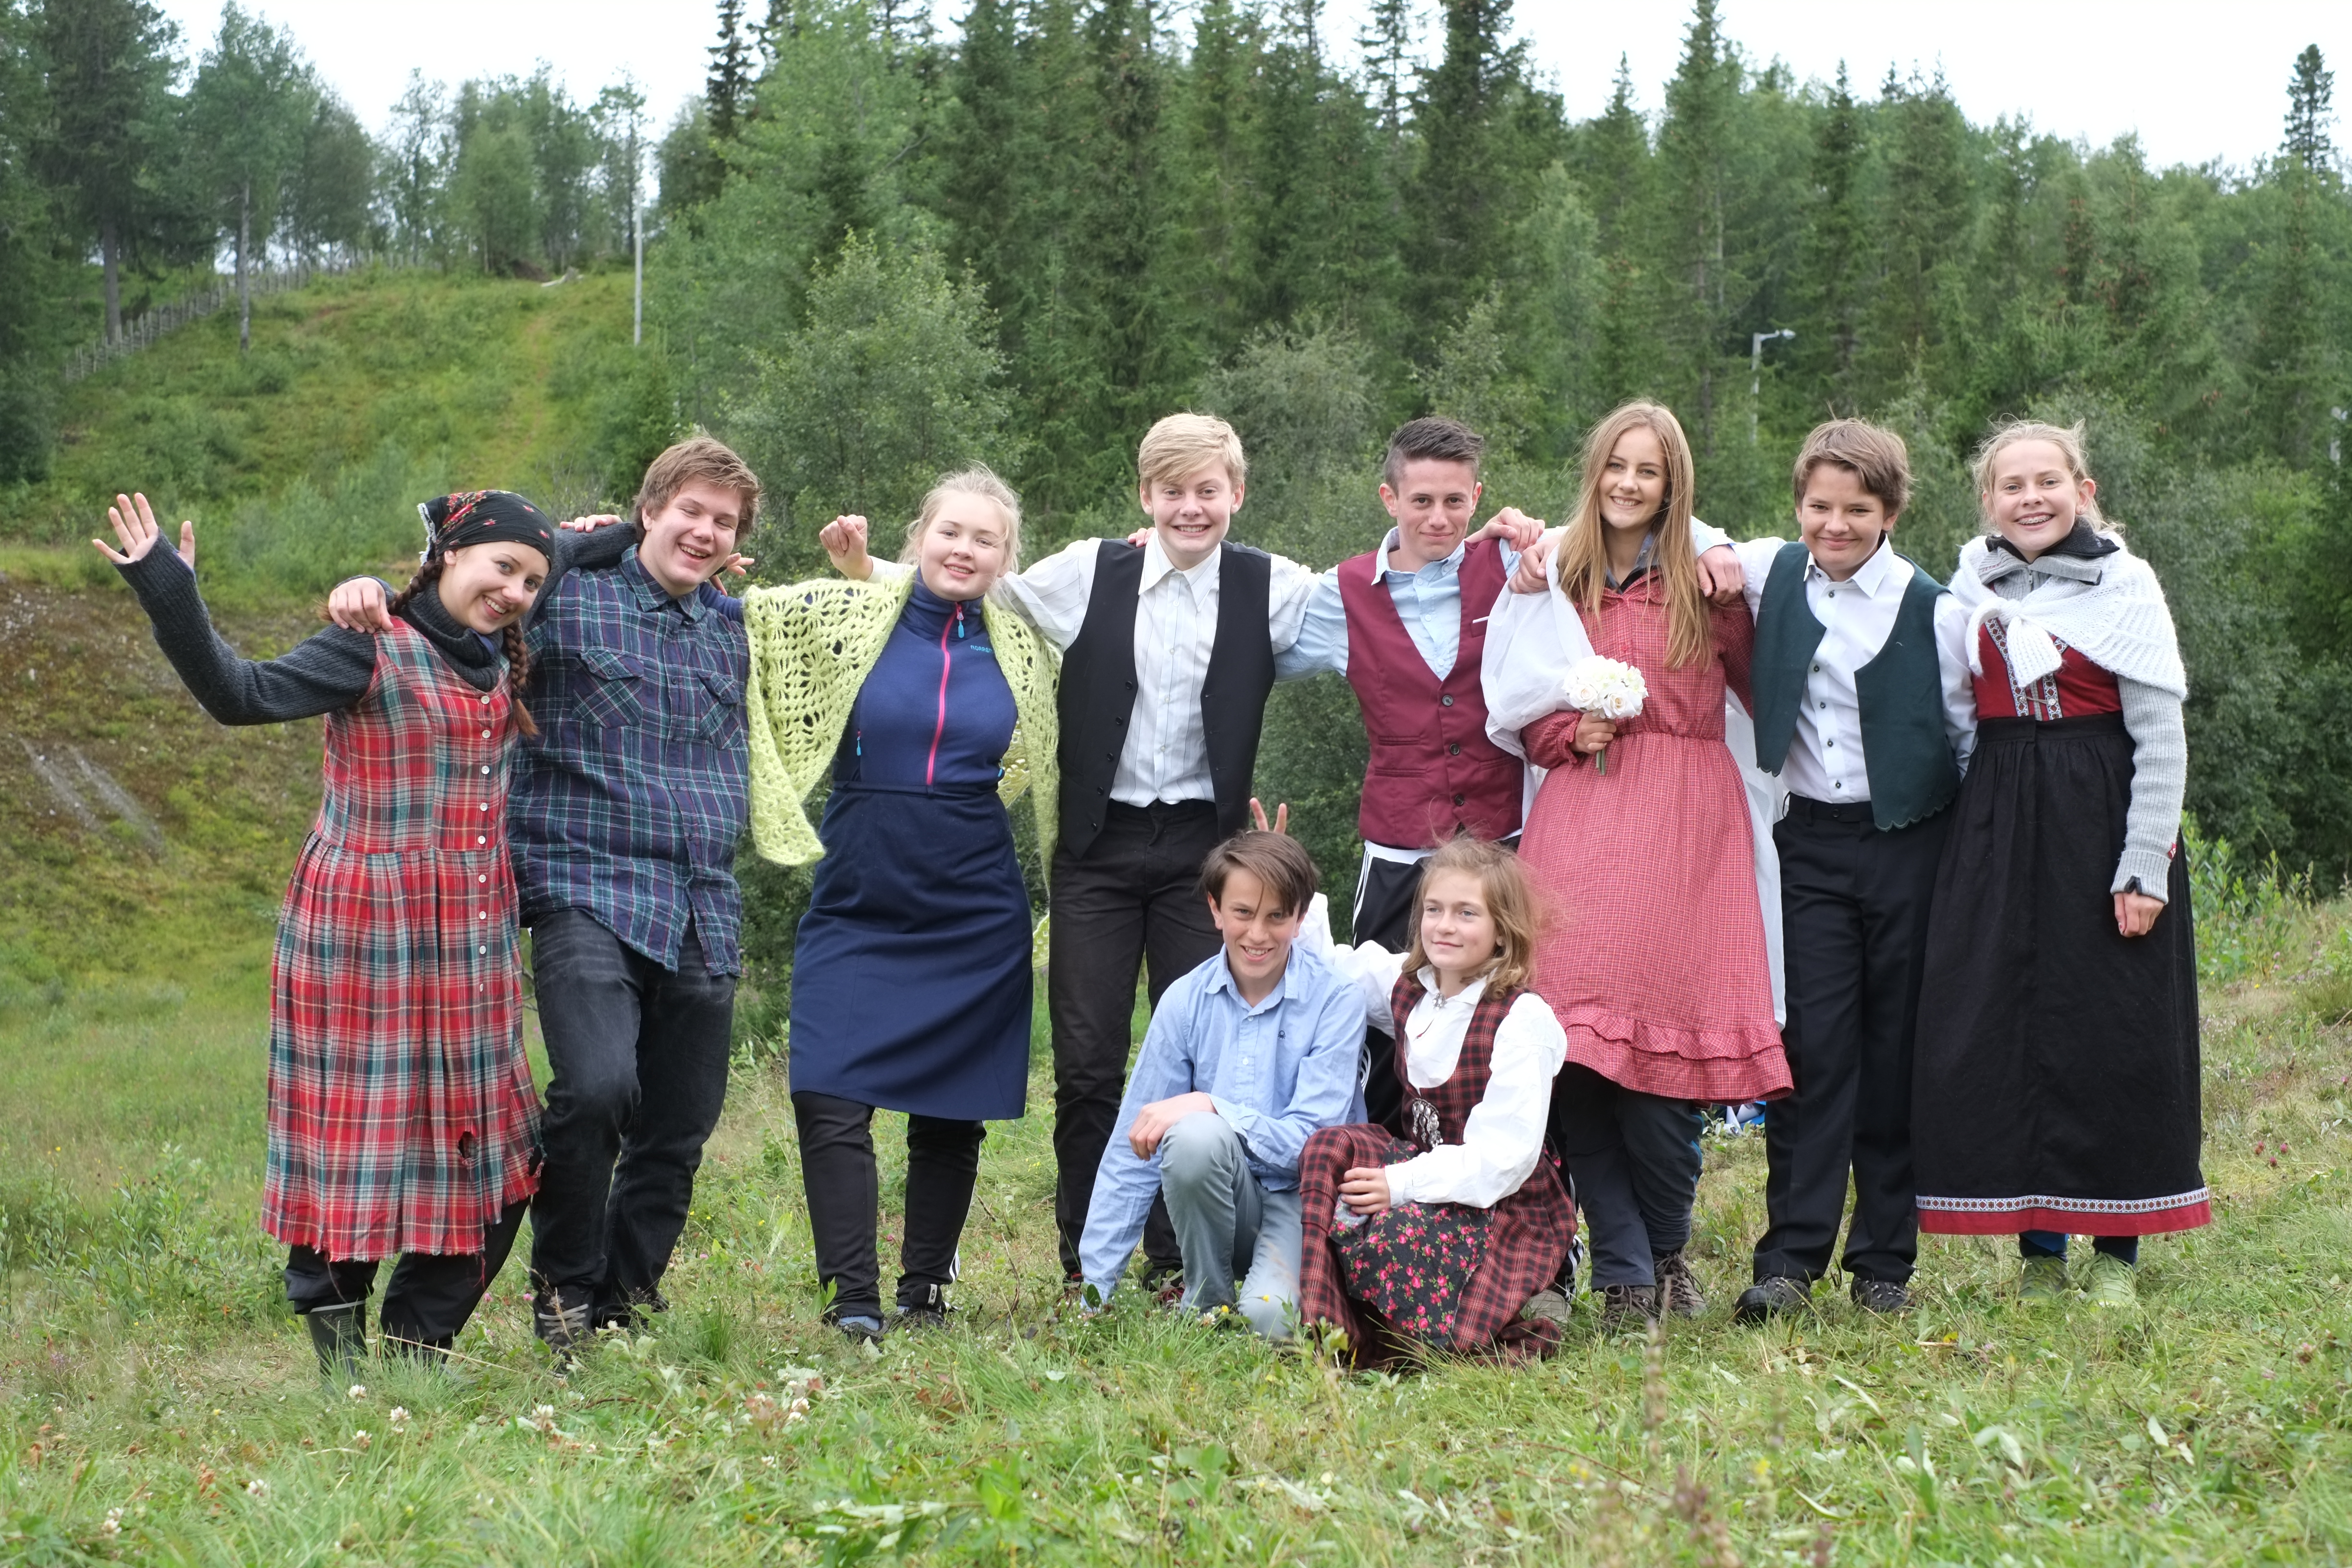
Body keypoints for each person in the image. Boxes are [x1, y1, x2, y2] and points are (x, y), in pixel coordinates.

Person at [821, 413, 1321, 1293]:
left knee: (1197, 1058)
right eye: (1173, 490)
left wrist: (1527, 548)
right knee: (1088, 1064)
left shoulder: (1274, 586)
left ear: (1236, 495)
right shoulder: (1094, 568)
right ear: (1146, 496)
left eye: (1208, 490)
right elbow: (976, 583)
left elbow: (1386, 598)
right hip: (1096, 847)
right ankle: (1086, 1261)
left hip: (1205, 857)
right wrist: (869, 571)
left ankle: (1176, 1257)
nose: (1190, 507)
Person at [98, 488, 559, 1377]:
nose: (516, 590)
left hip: (469, 943)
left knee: (498, 1147)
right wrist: (169, 588)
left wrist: (635, 529)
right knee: (355, 1143)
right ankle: (345, 1367)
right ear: (449, 555)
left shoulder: (494, 654)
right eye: (502, 566)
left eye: (533, 580)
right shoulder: (368, 642)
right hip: (363, 938)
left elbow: (594, 543)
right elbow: (238, 694)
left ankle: (417, 1349)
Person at [329, 434, 760, 1359]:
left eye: (723, 522)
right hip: (584, 882)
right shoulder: (566, 596)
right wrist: (368, 590)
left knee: (679, 1126)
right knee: (598, 1086)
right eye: (689, 509)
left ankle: (621, 1303)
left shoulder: (732, 624)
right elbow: (465, 590)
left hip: (702, 901)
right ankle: (562, 1291)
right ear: (647, 510)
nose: (704, 530)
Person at [1279, 417, 1741, 1131]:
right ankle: (1379, 1199)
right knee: (1380, 1023)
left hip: (1506, 841)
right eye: (1422, 500)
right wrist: (1168, 542)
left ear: (1478, 498)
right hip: (1399, 849)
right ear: (1387, 498)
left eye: (1455, 501)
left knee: (1513, 1030)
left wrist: (1715, 543)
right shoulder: (1340, 595)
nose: (1439, 517)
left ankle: (1527, 1218)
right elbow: (1244, 618)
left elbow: (1626, 511)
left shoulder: (1515, 564)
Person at [1482, 401, 1791, 1330]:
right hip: (1581, 814)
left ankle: (1666, 1245)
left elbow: (1762, 685)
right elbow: (1517, 706)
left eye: (1648, 471)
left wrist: (1737, 593)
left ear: (1672, 483)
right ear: (1595, 470)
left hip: (1686, 820)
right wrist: (1565, 731)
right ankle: (1623, 1271)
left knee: (1667, 1062)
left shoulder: (1706, 576)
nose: (1628, 483)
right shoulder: (1555, 576)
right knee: (1569, 1050)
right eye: (1616, 464)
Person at [738, 468, 1056, 1341]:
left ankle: (923, 1291)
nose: (964, 549)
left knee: (950, 1104)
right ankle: (852, 1299)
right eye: (950, 531)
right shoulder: (845, 615)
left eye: (985, 539)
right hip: (860, 885)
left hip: (974, 895)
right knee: (827, 1089)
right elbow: (738, 613)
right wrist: (619, 542)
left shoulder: (1030, 642)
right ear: (919, 536)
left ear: (1006, 557)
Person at [1911, 419, 2203, 1308]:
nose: (2029, 497)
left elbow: (2160, 735)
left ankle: (2117, 1252)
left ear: (2084, 489)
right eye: (2011, 485)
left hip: (2099, 812)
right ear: (1988, 500)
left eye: (2048, 481)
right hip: (2000, 818)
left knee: (2111, 1030)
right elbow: (1959, 722)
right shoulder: (1969, 586)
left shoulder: (2125, 584)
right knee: (2009, 1028)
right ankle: (2039, 1249)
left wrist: (2143, 863)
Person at [1724, 421, 1977, 1323]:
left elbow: (1966, 737)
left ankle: (1883, 1261)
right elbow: (1674, 532)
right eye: (1819, 506)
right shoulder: (1767, 569)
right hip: (1811, 844)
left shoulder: (1937, 610)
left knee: (1894, 1053)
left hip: (1911, 841)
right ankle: (1790, 1258)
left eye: (1856, 510)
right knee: (1810, 1048)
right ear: (1799, 504)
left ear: (1891, 512)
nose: (1835, 525)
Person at [1075, 829, 1366, 1335]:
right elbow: (1132, 1151)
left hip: (1306, 1201)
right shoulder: (1185, 1001)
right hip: (1226, 1206)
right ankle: (1207, 1301)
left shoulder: (1337, 999)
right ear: (1215, 910)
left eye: (1277, 915)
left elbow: (1313, 1144)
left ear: (1300, 916)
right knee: (1191, 1136)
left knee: (1273, 1321)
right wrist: (1095, 1292)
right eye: (1243, 913)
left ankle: (1269, 1293)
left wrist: (1211, 1103)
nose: (1259, 933)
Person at [1295, 836, 1573, 1363]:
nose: (1444, 925)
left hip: (1502, 1207)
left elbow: (1502, 1162)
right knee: (1328, 1151)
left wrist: (1399, 1185)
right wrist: (1294, 879)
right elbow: (1335, 967)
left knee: (1394, 1230)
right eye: (1434, 909)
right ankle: (1335, 1332)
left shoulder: (1521, 1020)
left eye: (1467, 913)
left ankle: (1523, 1298)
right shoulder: (1411, 987)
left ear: (1501, 931)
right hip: (1426, 1179)